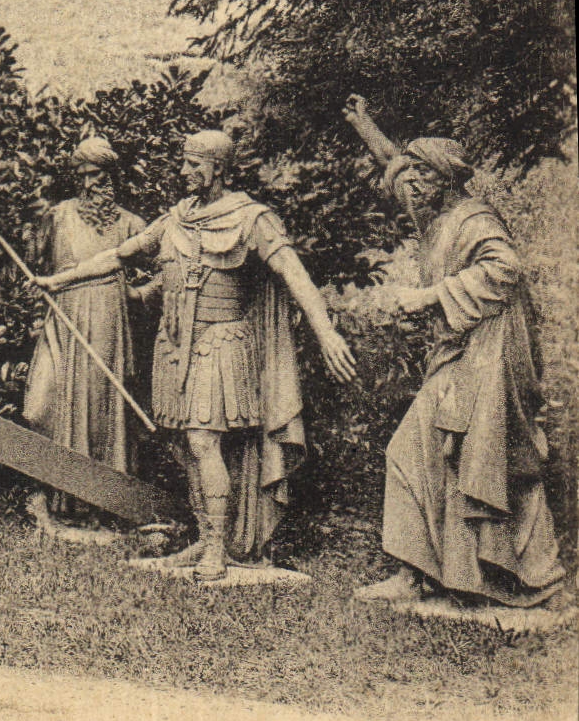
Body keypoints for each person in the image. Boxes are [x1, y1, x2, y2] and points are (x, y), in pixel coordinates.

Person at [42, 130, 356, 580]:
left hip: (221, 344)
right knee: (185, 448)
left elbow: (295, 276)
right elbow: (120, 254)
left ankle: (216, 550)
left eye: (194, 164)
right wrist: (59, 282)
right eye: (184, 163)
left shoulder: (253, 219)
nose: (185, 172)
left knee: (204, 442)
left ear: (219, 168)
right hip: (175, 347)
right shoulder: (178, 217)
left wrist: (326, 333)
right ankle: (204, 539)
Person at [344, 96, 564, 606]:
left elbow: (504, 270)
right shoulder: (434, 216)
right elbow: (396, 166)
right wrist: (366, 127)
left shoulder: (473, 219)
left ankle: (528, 574)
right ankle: (429, 572)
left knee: (479, 454)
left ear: (447, 180)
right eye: (411, 177)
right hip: (460, 351)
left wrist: (428, 296)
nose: (411, 185)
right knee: (449, 455)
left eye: (423, 177)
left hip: (490, 355)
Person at [22, 137, 146, 523]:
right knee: (41, 403)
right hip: (64, 316)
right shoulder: (58, 216)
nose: (89, 183)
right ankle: (54, 493)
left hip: (109, 320)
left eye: (96, 174)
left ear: (111, 176)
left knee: (101, 408)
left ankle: (102, 504)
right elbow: (32, 262)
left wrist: (130, 295)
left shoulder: (132, 224)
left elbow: (158, 280)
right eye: (82, 175)